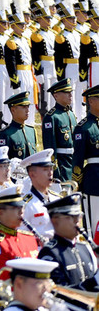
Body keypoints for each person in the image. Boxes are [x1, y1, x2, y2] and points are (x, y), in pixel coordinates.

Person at [36, 193, 98, 290]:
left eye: (79, 216)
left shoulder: (85, 248)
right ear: (55, 221)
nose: (77, 220)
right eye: (71, 217)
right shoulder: (50, 252)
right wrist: (95, 281)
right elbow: (58, 293)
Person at [0, 186, 40, 275]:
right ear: (0, 212)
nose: (21, 212)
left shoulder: (29, 238)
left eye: (22, 207)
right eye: (15, 208)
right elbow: (4, 279)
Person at [74, 84, 99, 234]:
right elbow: (77, 160)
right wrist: (78, 183)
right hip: (93, 181)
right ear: (91, 101)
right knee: (93, 223)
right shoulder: (83, 128)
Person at [21, 150, 58, 242]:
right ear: (32, 174)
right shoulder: (24, 204)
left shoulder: (57, 199)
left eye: (51, 169)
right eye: (45, 169)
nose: (50, 173)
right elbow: (21, 236)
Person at [0, 91, 37, 160]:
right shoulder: (5, 134)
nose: (27, 110)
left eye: (28, 106)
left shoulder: (31, 131)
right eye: (24, 107)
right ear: (13, 110)